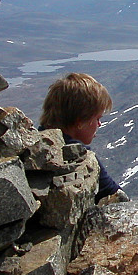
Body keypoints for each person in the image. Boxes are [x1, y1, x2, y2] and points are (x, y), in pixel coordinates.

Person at [40, 72, 122, 201]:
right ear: (80, 121)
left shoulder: (35, 144)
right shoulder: (80, 158)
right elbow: (114, 194)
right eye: (97, 118)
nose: (99, 124)